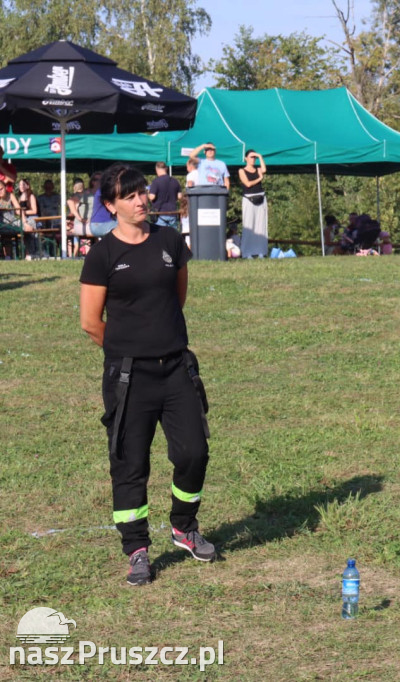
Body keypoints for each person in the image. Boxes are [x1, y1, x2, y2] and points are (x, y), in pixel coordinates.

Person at [79, 164, 215, 586]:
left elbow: (178, 297)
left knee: (194, 452)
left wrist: (161, 340)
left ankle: (183, 526)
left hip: (176, 369)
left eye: (143, 193)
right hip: (129, 378)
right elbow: (90, 321)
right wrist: (125, 351)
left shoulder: (170, 241)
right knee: (129, 463)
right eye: (130, 196)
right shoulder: (101, 254)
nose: (142, 201)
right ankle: (136, 549)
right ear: (111, 206)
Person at [237, 150, 268, 258]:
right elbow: (248, 184)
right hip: (249, 198)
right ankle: (247, 252)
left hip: (260, 197)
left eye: (254, 157)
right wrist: (259, 178)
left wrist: (260, 156)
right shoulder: (242, 170)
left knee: (261, 225)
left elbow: (264, 169)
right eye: (251, 157)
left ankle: (261, 251)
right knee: (249, 225)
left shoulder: (258, 169)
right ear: (246, 158)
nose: (253, 159)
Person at [148, 162, 182, 228]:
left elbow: (152, 197)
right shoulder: (175, 181)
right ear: (166, 169)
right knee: (172, 236)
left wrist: (148, 193)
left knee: (161, 236)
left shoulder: (156, 181)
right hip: (173, 213)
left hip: (160, 214)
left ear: (156, 169)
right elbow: (179, 196)